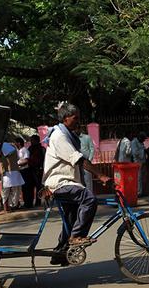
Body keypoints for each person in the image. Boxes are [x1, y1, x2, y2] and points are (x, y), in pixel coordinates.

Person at [43, 102, 111, 265]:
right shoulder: (59, 136)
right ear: (66, 118)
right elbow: (79, 160)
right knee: (89, 199)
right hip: (59, 183)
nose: (78, 121)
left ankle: (60, 252)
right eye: (76, 118)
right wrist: (101, 175)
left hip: (68, 182)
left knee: (71, 218)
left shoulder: (67, 134)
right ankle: (77, 237)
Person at [0, 142, 24, 212]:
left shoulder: (0, 147)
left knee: (5, 191)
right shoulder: (13, 147)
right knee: (14, 191)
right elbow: (17, 158)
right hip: (13, 171)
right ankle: (10, 206)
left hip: (7, 173)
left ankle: (7, 207)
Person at [16, 137, 36, 209]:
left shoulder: (24, 150)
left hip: (25, 170)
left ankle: (28, 203)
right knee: (24, 188)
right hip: (21, 171)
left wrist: (17, 164)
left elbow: (27, 160)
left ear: (18, 143)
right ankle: (26, 203)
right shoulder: (19, 151)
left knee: (27, 188)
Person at [28, 134, 45, 206]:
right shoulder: (30, 148)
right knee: (30, 186)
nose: (31, 141)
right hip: (30, 169)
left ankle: (38, 202)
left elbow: (44, 159)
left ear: (37, 141)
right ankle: (30, 202)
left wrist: (42, 168)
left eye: (32, 140)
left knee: (38, 186)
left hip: (39, 169)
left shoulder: (42, 149)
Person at [131, 132, 147, 196]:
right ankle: (138, 192)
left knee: (140, 177)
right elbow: (135, 153)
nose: (144, 140)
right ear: (140, 137)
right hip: (137, 162)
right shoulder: (134, 142)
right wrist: (143, 151)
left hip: (141, 161)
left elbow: (142, 149)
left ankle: (140, 191)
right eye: (143, 139)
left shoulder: (141, 142)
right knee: (138, 178)